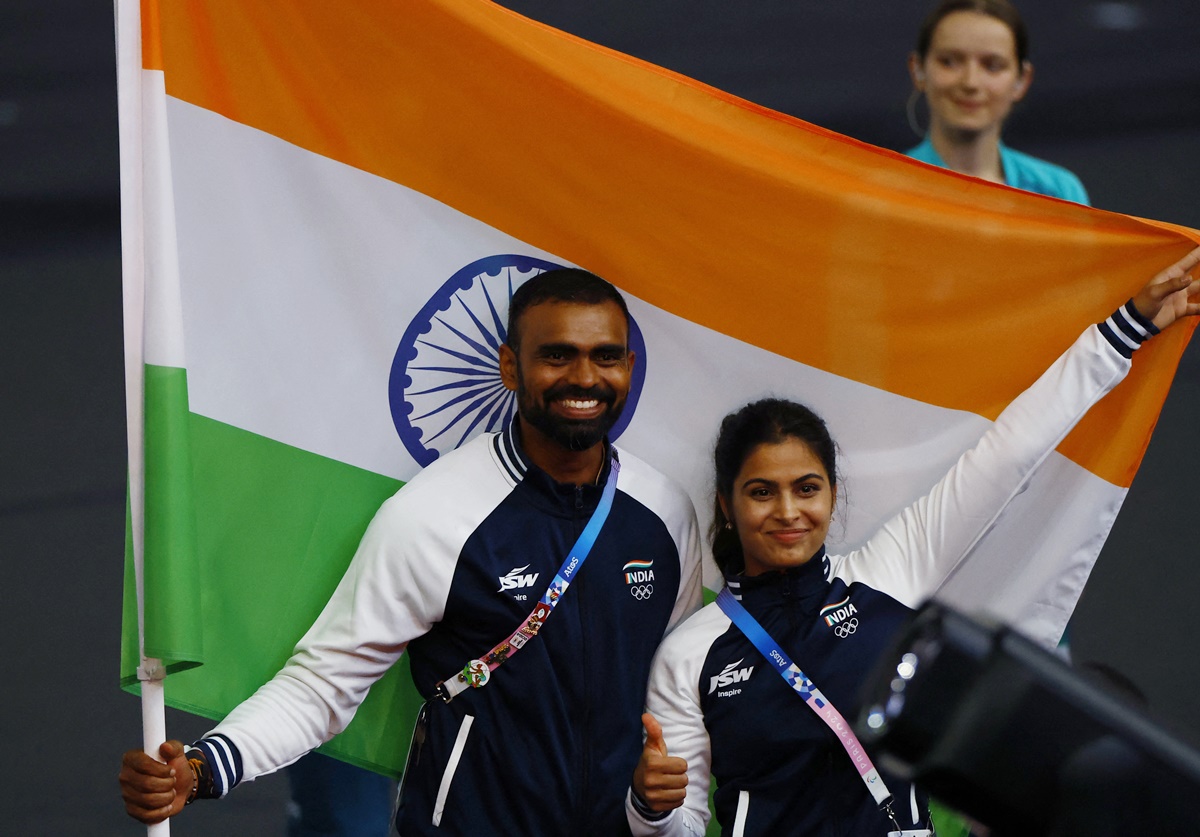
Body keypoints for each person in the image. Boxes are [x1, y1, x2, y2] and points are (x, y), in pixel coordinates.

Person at [626, 248, 1200, 836]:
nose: (788, 512)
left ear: (832, 492)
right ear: (726, 503)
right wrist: (652, 808)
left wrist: (1123, 330)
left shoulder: (889, 570)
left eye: (806, 488)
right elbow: (681, 829)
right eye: (761, 493)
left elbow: (1008, 456)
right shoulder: (691, 652)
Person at [120, 268, 704, 835]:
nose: (584, 377)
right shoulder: (434, 514)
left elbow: (677, 698)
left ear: (628, 367)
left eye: (605, 356)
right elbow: (322, 685)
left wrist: (668, 819)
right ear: (510, 366)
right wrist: (200, 769)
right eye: (556, 355)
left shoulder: (666, 513)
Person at [905, 0, 1089, 204]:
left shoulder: (1057, 192)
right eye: (949, 62)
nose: (970, 82)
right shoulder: (884, 188)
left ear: (1021, 80)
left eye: (993, 66)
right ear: (918, 70)